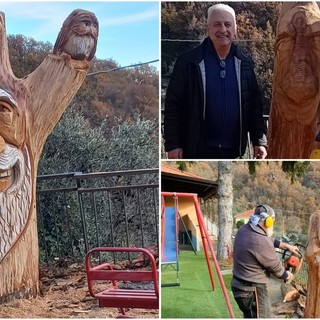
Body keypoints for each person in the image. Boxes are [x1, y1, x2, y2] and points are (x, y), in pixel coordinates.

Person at [163, 4, 268, 159]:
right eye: (217, 24)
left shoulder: (245, 64)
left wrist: (259, 141)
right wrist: (173, 145)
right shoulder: (188, 62)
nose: (223, 30)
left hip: (233, 152)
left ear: (235, 30)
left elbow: (254, 107)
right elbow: (173, 106)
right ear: (208, 29)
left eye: (227, 24)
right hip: (196, 150)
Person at [231, 204, 299, 318]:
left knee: (250, 316)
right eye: (272, 221)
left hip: (239, 286)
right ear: (267, 221)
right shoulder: (261, 241)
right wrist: (288, 275)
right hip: (252, 290)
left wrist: (286, 246)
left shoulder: (244, 230)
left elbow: (268, 239)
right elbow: (276, 268)